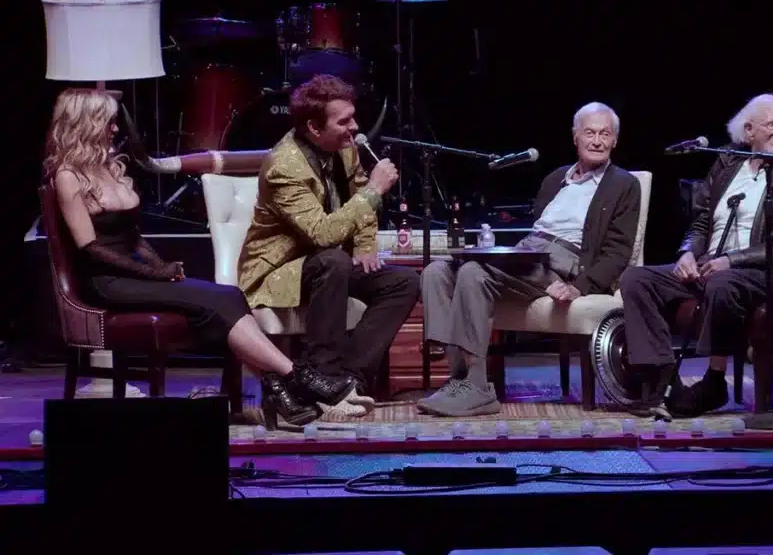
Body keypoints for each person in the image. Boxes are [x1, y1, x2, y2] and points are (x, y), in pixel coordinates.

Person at [44, 88, 350, 429]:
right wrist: (156, 274)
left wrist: (159, 267)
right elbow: (91, 249)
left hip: (135, 275)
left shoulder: (111, 168)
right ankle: (297, 377)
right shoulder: (68, 177)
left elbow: (133, 238)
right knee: (217, 299)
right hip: (106, 282)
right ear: (84, 124)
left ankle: (278, 388)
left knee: (229, 295)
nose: (116, 130)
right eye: (108, 122)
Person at [418, 102, 642, 417]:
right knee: (437, 270)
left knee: (471, 271)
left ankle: (477, 388)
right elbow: (538, 229)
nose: (597, 140)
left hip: (564, 260)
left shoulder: (623, 184)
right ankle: (460, 378)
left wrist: (580, 285)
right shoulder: (555, 179)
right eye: (590, 132)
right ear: (575, 137)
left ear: (615, 140)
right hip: (529, 254)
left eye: (605, 134)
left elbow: (619, 250)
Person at [619, 94, 773, 419]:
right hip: (712, 265)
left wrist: (732, 260)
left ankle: (714, 381)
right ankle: (663, 380)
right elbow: (701, 220)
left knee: (722, 283)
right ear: (749, 131)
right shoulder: (727, 162)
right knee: (637, 279)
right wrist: (687, 252)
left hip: (770, 273)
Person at [237, 75, 420, 420]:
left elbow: (357, 192)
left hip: (326, 266)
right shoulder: (284, 167)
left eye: (353, 117)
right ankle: (321, 377)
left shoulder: (344, 147)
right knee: (333, 260)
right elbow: (322, 232)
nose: (355, 128)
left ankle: (347, 381)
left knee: (403, 282)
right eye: (344, 121)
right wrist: (375, 192)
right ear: (313, 127)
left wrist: (366, 245)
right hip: (279, 271)